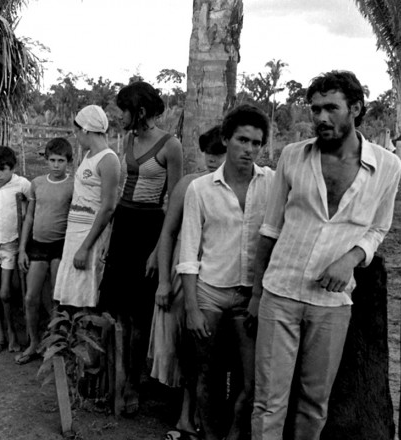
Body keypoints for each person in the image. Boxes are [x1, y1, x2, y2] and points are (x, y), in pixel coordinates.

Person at [250, 71, 401, 440]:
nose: (320, 117)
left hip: (331, 303)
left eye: (331, 108)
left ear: (355, 108)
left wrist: (350, 259)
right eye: (315, 109)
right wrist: (256, 293)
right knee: (269, 402)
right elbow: (270, 228)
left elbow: (379, 228)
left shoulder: (386, 166)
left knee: (314, 403)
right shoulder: (293, 156)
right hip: (280, 292)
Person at [178, 105, 273, 440]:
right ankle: (210, 436)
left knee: (250, 383)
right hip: (210, 293)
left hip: (252, 295)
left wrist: (261, 295)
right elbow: (188, 251)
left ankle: (233, 434)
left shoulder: (272, 184)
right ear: (226, 139)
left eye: (256, 143)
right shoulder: (201, 189)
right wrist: (191, 308)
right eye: (242, 140)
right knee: (206, 377)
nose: (249, 149)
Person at [99, 81, 183, 414]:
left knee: (138, 315)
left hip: (150, 229)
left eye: (125, 110)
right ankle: (115, 382)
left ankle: (134, 384)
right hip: (124, 224)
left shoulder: (170, 145)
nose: (120, 116)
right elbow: (123, 190)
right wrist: (110, 235)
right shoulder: (130, 140)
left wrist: (157, 251)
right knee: (116, 309)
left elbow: (174, 202)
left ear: (141, 111)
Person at [149, 126, 226, 440]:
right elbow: (168, 233)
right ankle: (184, 415)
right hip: (185, 272)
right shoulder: (189, 184)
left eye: (218, 152)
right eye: (208, 151)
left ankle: (199, 416)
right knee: (186, 347)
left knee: (209, 352)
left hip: (217, 275)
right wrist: (164, 282)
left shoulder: (242, 187)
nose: (211, 158)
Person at [53, 105, 120, 310]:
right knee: (73, 293)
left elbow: (108, 207)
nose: (77, 137)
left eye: (77, 131)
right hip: (75, 231)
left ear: (85, 130)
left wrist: (85, 247)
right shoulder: (88, 156)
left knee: (87, 294)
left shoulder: (108, 159)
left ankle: (87, 338)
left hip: (89, 234)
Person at [16, 138, 75, 365]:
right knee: (31, 297)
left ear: (69, 162)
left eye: (61, 160)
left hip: (60, 246)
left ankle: (55, 344)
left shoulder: (73, 184)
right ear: (46, 160)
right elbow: (29, 217)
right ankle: (33, 342)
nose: (56, 165)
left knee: (55, 299)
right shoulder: (38, 183)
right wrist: (22, 249)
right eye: (52, 160)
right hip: (37, 245)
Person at [0, 146, 32, 355]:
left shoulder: (23, 185)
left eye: (3, 169)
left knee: (5, 293)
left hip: (12, 244)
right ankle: (0, 333)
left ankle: (12, 332)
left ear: (13, 168)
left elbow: (31, 210)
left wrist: (23, 245)